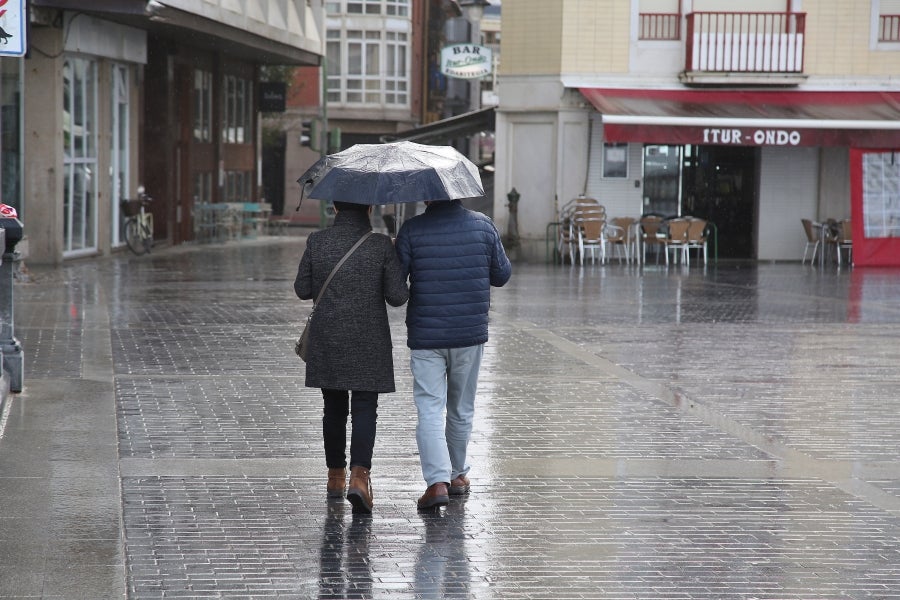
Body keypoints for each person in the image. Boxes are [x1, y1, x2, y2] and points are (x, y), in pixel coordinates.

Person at [394, 199, 512, 510]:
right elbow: (502, 275)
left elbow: (396, 291)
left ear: (425, 197)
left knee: (430, 408)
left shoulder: (412, 229)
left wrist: (400, 254)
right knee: (461, 408)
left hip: (426, 336)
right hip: (468, 335)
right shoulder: (483, 225)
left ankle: (436, 484)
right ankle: (458, 475)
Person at [295, 200, 409, 514]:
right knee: (364, 409)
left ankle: (335, 476)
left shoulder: (317, 242)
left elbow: (302, 289)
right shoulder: (380, 245)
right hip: (368, 340)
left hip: (328, 339)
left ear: (334, 207)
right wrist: (394, 257)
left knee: (332, 408)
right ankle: (359, 478)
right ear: (369, 209)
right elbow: (397, 297)